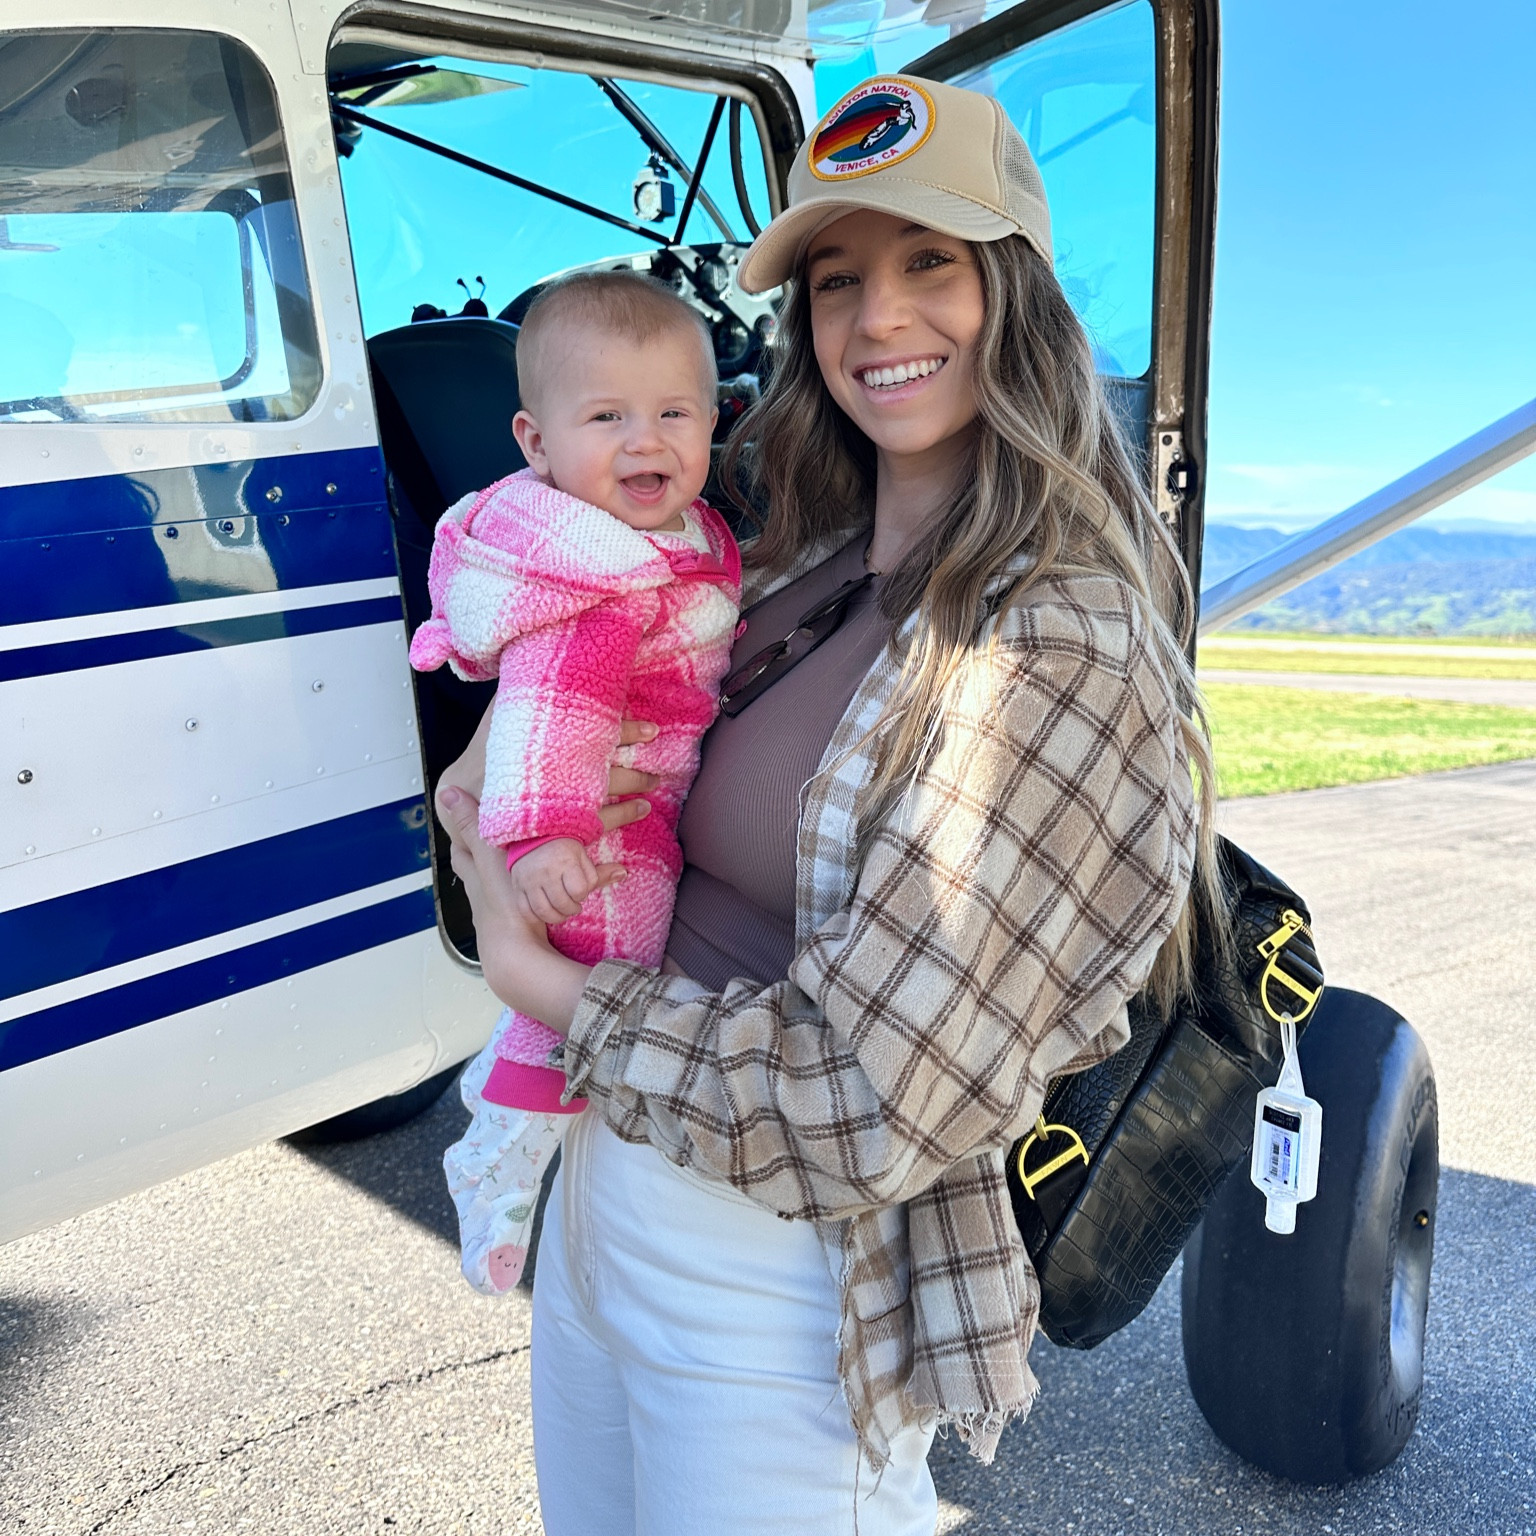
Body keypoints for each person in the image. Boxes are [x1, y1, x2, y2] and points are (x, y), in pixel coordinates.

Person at [434, 74, 1219, 1535]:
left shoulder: (1056, 640)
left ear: (1021, 297)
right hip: (610, 1180)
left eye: (933, 263)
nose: (877, 320)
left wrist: (538, 979)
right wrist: (505, 751)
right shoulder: (790, 564)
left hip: (791, 1270)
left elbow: (867, 1104)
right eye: (839, 279)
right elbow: (616, 716)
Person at [409, 271, 740, 1292]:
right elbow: (555, 714)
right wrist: (548, 836)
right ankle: (502, 1160)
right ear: (536, 442)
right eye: (608, 417)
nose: (647, 441)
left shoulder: (683, 535)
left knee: (594, 994)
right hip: (598, 818)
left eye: (674, 413)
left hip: (643, 792)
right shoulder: (596, 578)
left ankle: (512, 1107)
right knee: (606, 973)